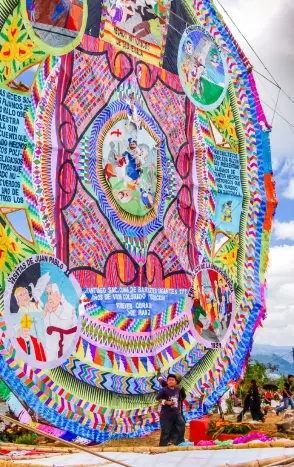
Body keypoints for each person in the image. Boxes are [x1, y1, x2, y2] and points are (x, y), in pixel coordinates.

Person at [43, 283, 78, 361]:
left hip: (65, 349)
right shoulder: (50, 307)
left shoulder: (68, 307)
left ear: (57, 294)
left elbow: (66, 326)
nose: (48, 298)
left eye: (50, 293)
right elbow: (43, 327)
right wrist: (45, 312)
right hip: (49, 348)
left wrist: (53, 312)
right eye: (47, 294)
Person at [156, 374, 186, 446]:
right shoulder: (164, 389)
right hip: (166, 414)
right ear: (167, 382)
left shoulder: (179, 389)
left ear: (176, 382)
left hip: (176, 413)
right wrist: (166, 402)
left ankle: (179, 442)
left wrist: (179, 411)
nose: (171, 381)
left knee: (181, 424)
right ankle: (162, 447)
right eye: (169, 380)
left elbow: (180, 399)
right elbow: (157, 399)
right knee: (166, 431)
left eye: (173, 380)